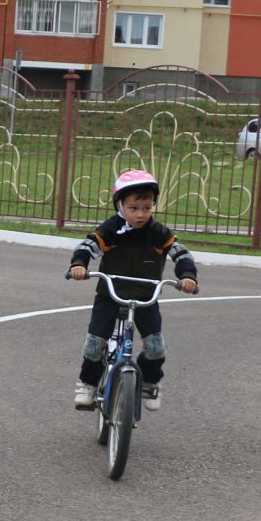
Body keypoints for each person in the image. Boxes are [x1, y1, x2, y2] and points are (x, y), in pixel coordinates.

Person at [68, 169, 199, 412]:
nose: (141, 214)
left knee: (155, 347)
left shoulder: (158, 232)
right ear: (120, 205)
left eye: (147, 208)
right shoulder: (111, 229)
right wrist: (79, 264)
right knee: (95, 344)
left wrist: (187, 276)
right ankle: (87, 383)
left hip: (145, 298)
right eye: (134, 208)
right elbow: (88, 246)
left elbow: (181, 254)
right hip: (110, 294)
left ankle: (149, 382)